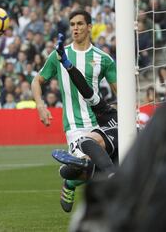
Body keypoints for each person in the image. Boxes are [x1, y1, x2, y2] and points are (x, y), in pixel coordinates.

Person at [31, 10, 117, 213]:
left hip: (100, 123)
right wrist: (40, 105)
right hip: (75, 124)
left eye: (79, 24)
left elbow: (119, 90)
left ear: (89, 27)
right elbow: (37, 81)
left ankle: (70, 182)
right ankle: (71, 181)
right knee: (88, 166)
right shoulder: (60, 54)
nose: (75, 28)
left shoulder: (103, 59)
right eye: (72, 24)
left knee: (100, 169)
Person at [50, 33, 119, 212]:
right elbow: (85, 88)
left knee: (83, 170)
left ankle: (72, 180)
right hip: (106, 152)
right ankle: (103, 174)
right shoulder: (107, 112)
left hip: (126, 153)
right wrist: (67, 64)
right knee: (86, 146)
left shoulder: (138, 123)